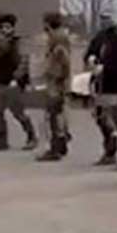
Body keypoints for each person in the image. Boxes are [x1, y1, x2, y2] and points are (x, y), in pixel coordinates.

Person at [85, 14, 117, 169]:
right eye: (102, 18)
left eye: (107, 18)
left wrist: (105, 68)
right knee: (101, 118)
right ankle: (110, 151)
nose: (104, 21)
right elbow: (89, 52)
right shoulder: (100, 37)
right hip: (100, 86)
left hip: (116, 86)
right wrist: (90, 59)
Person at [0, 13, 37, 151]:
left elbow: (23, 62)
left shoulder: (17, 43)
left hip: (12, 82)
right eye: (2, 27)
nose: (5, 29)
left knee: (18, 113)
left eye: (8, 27)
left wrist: (16, 78)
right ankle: (1, 140)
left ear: (12, 28)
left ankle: (31, 136)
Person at [36, 12, 72, 162]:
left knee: (54, 116)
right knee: (58, 115)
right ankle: (61, 144)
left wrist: (56, 77)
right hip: (58, 82)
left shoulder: (57, 39)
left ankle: (55, 148)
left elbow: (63, 61)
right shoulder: (59, 37)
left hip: (56, 83)